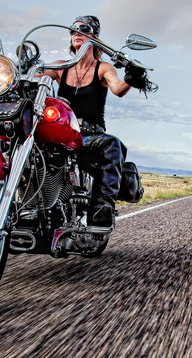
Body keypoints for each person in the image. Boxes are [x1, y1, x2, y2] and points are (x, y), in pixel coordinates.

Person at [40, 15, 147, 228]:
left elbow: (117, 89)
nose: (76, 32)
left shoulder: (103, 68)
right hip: (59, 131)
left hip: (89, 135)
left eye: (83, 28)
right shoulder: (61, 66)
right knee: (12, 136)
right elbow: (33, 78)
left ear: (94, 36)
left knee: (112, 144)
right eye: (72, 30)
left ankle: (101, 211)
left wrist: (132, 77)